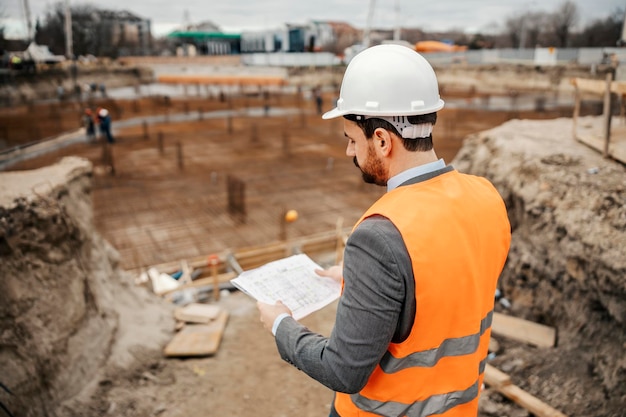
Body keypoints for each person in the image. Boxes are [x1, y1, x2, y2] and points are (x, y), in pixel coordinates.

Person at [257, 44, 511, 417]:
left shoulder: (380, 236)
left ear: (381, 139)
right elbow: (443, 284)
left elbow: (342, 369)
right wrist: (366, 283)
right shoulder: (486, 197)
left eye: (351, 139)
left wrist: (281, 325)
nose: (349, 153)